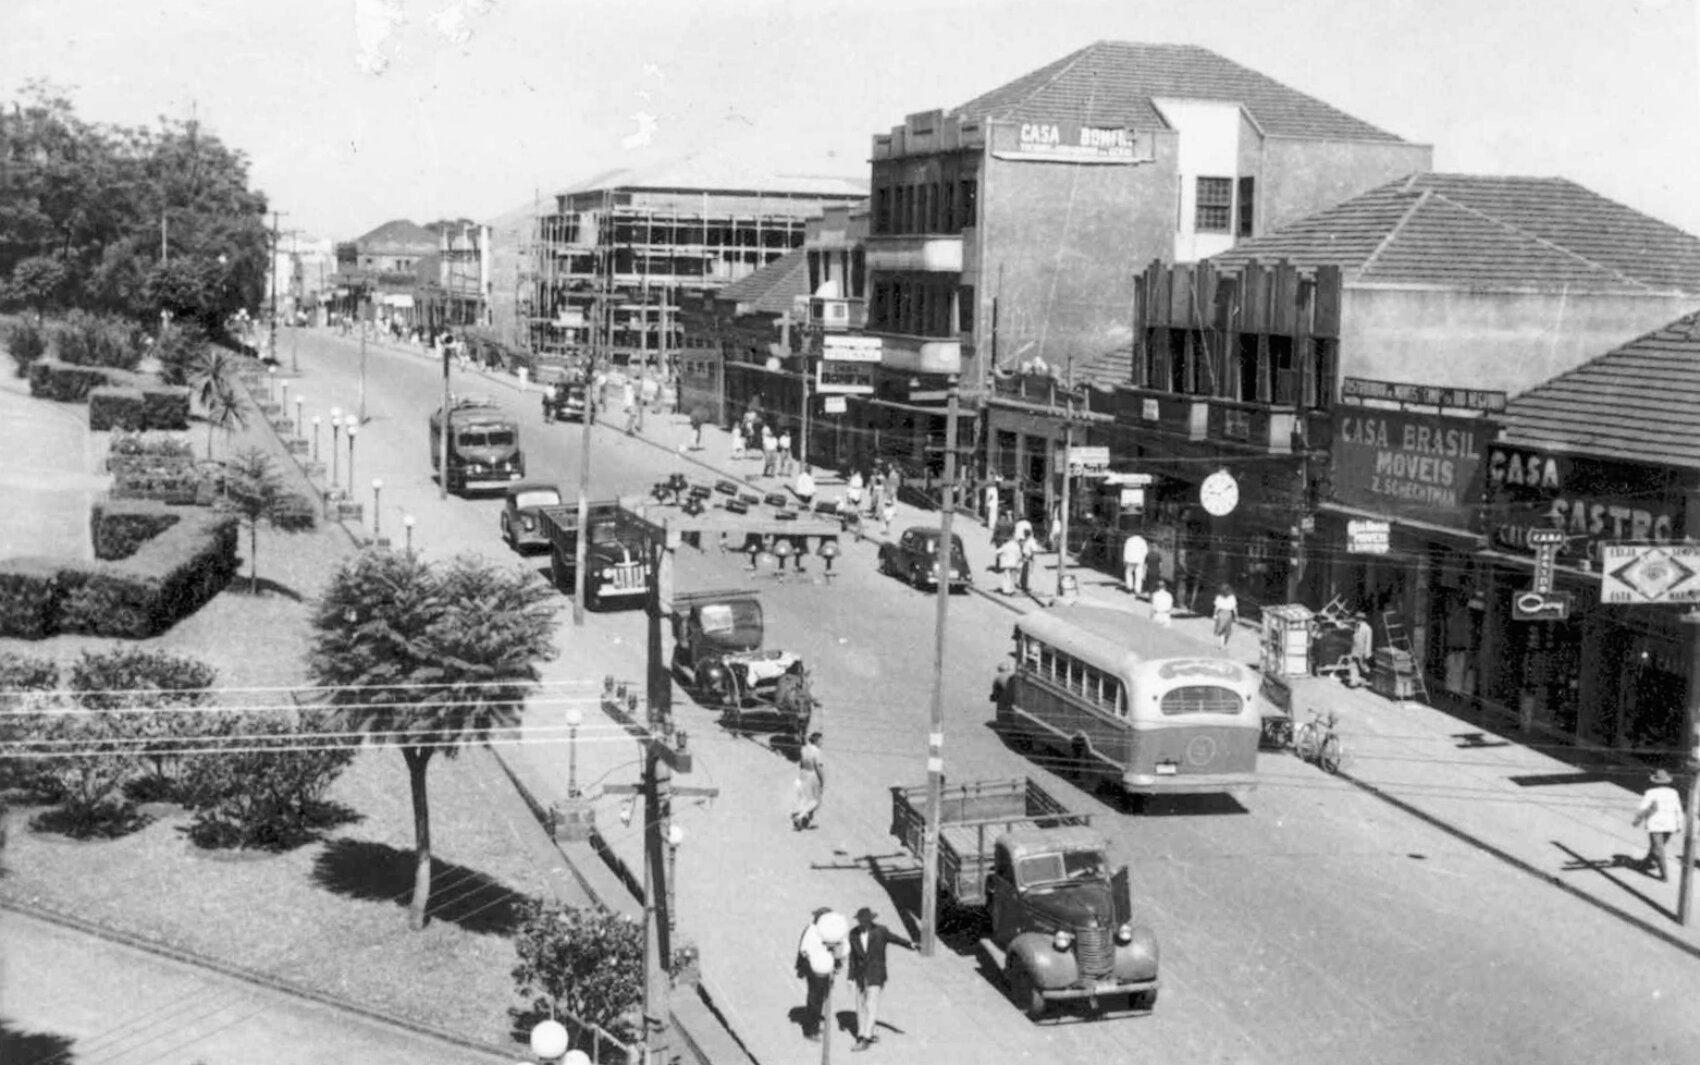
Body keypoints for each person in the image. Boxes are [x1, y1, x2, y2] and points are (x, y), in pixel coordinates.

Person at [848, 906, 914, 1051]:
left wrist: (910, 944)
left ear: (871, 921)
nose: (863, 924)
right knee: (860, 1005)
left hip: (876, 974)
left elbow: (895, 939)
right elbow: (852, 957)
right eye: (860, 921)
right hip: (860, 975)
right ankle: (863, 1032)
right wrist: (850, 977)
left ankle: (865, 1038)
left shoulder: (880, 931)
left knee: (871, 1004)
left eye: (865, 921)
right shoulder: (852, 934)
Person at [796, 907, 845, 1043]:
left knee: (820, 998)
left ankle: (814, 1025)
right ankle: (810, 1030)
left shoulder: (822, 931)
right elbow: (805, 951)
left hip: (821, 970)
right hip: (814, 970)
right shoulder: (812, 930)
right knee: (815, 999)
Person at [1632, 769, 1684, 881]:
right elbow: (1678, 809)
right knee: (1658, 847)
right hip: (1670, 825)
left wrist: (1637, 820)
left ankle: (1664, 874)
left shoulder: (1650, 793)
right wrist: (1679, 824)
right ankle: (1646, 863)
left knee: (1658, 849)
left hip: (1656, 825)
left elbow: (1642, 808)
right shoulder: (1674, 793)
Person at [792, 732, 824, 830]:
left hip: (803, 774)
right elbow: (819, 767)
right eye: (821, 740)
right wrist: (822, 781)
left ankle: (805, 817)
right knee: (816, 801)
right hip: (812, 776)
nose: (822, 742)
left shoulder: (804, 749)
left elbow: (801, 763)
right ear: (817, 740)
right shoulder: (817, 751)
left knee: (806, 798)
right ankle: (800, 816)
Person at [1350, 612, 1374, 687]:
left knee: (1364, 667)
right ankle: (1354, 681)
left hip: (1363, 651)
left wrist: (1367, 653)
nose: (1356, 620)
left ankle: (1370, 680)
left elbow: (1368, 642)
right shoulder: (1356, 627)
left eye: (1358, 618)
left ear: (1362, 619)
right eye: (1356, 618)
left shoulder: (1367, 628)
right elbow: (1354, 638)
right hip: (1355, 650)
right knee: (1353, 665)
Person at [1212, 584, 1239, 651]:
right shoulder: (1232, 597)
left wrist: (1214, 614)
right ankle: (1223, 643)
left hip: (1221, 613)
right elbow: (1234, 608)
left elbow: (1217, 607)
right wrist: (1236, 616)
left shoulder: (1219, 597)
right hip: (1228, 614)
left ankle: (1222, 644)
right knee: (1226, 630)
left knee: (1221, 630)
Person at [1122, 532, 1150, 597]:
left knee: (1128, 573)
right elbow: (1145, 551)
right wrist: (1144, 559)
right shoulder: (1142, 541)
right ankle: (1138, 590)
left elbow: (1126, 550)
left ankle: (1129, 587)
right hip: (1139, 560)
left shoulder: (1129, 540)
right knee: (1139, 575)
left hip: (1130, 559)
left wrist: (1125, 559)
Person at [1017, 527, 1038, 593]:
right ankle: (1023, 584)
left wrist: (1030, 557)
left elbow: (1034, 550)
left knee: (1028, 573)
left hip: (1029, 558)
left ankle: (1027, 586)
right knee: (1023, 571)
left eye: (1025, 533)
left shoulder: (1032, 541)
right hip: (1025, 557)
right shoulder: (1027, 540)